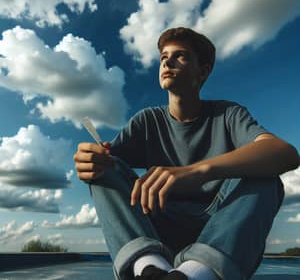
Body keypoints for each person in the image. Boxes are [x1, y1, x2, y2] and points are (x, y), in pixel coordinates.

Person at [73, 27, 299, 280]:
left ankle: (195, 273)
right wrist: (89, 162)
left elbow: (286, 154)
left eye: (179, 56)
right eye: (163, 57)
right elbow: (106, 165)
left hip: (219, 230)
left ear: (203, 71)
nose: (167, 61)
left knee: (265, 176)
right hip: (158, 227)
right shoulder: (147, 121)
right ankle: (148, 267)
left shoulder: (228, 114)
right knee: (106, 168)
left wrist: (198, 171)